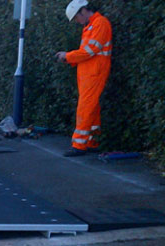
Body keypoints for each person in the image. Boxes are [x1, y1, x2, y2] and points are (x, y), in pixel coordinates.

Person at [55, 0, 112, 157]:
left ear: (83, 11)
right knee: (91, 107)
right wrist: (70, 58)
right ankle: (92, 141)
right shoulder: (89, 27)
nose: (77, 22)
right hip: (88, 73)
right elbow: (86, 52)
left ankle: (79, 145)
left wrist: (68, 56)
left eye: (76, 18)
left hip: (94, 73)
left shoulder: (100, 23)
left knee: (85, 107)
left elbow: (90, 51)